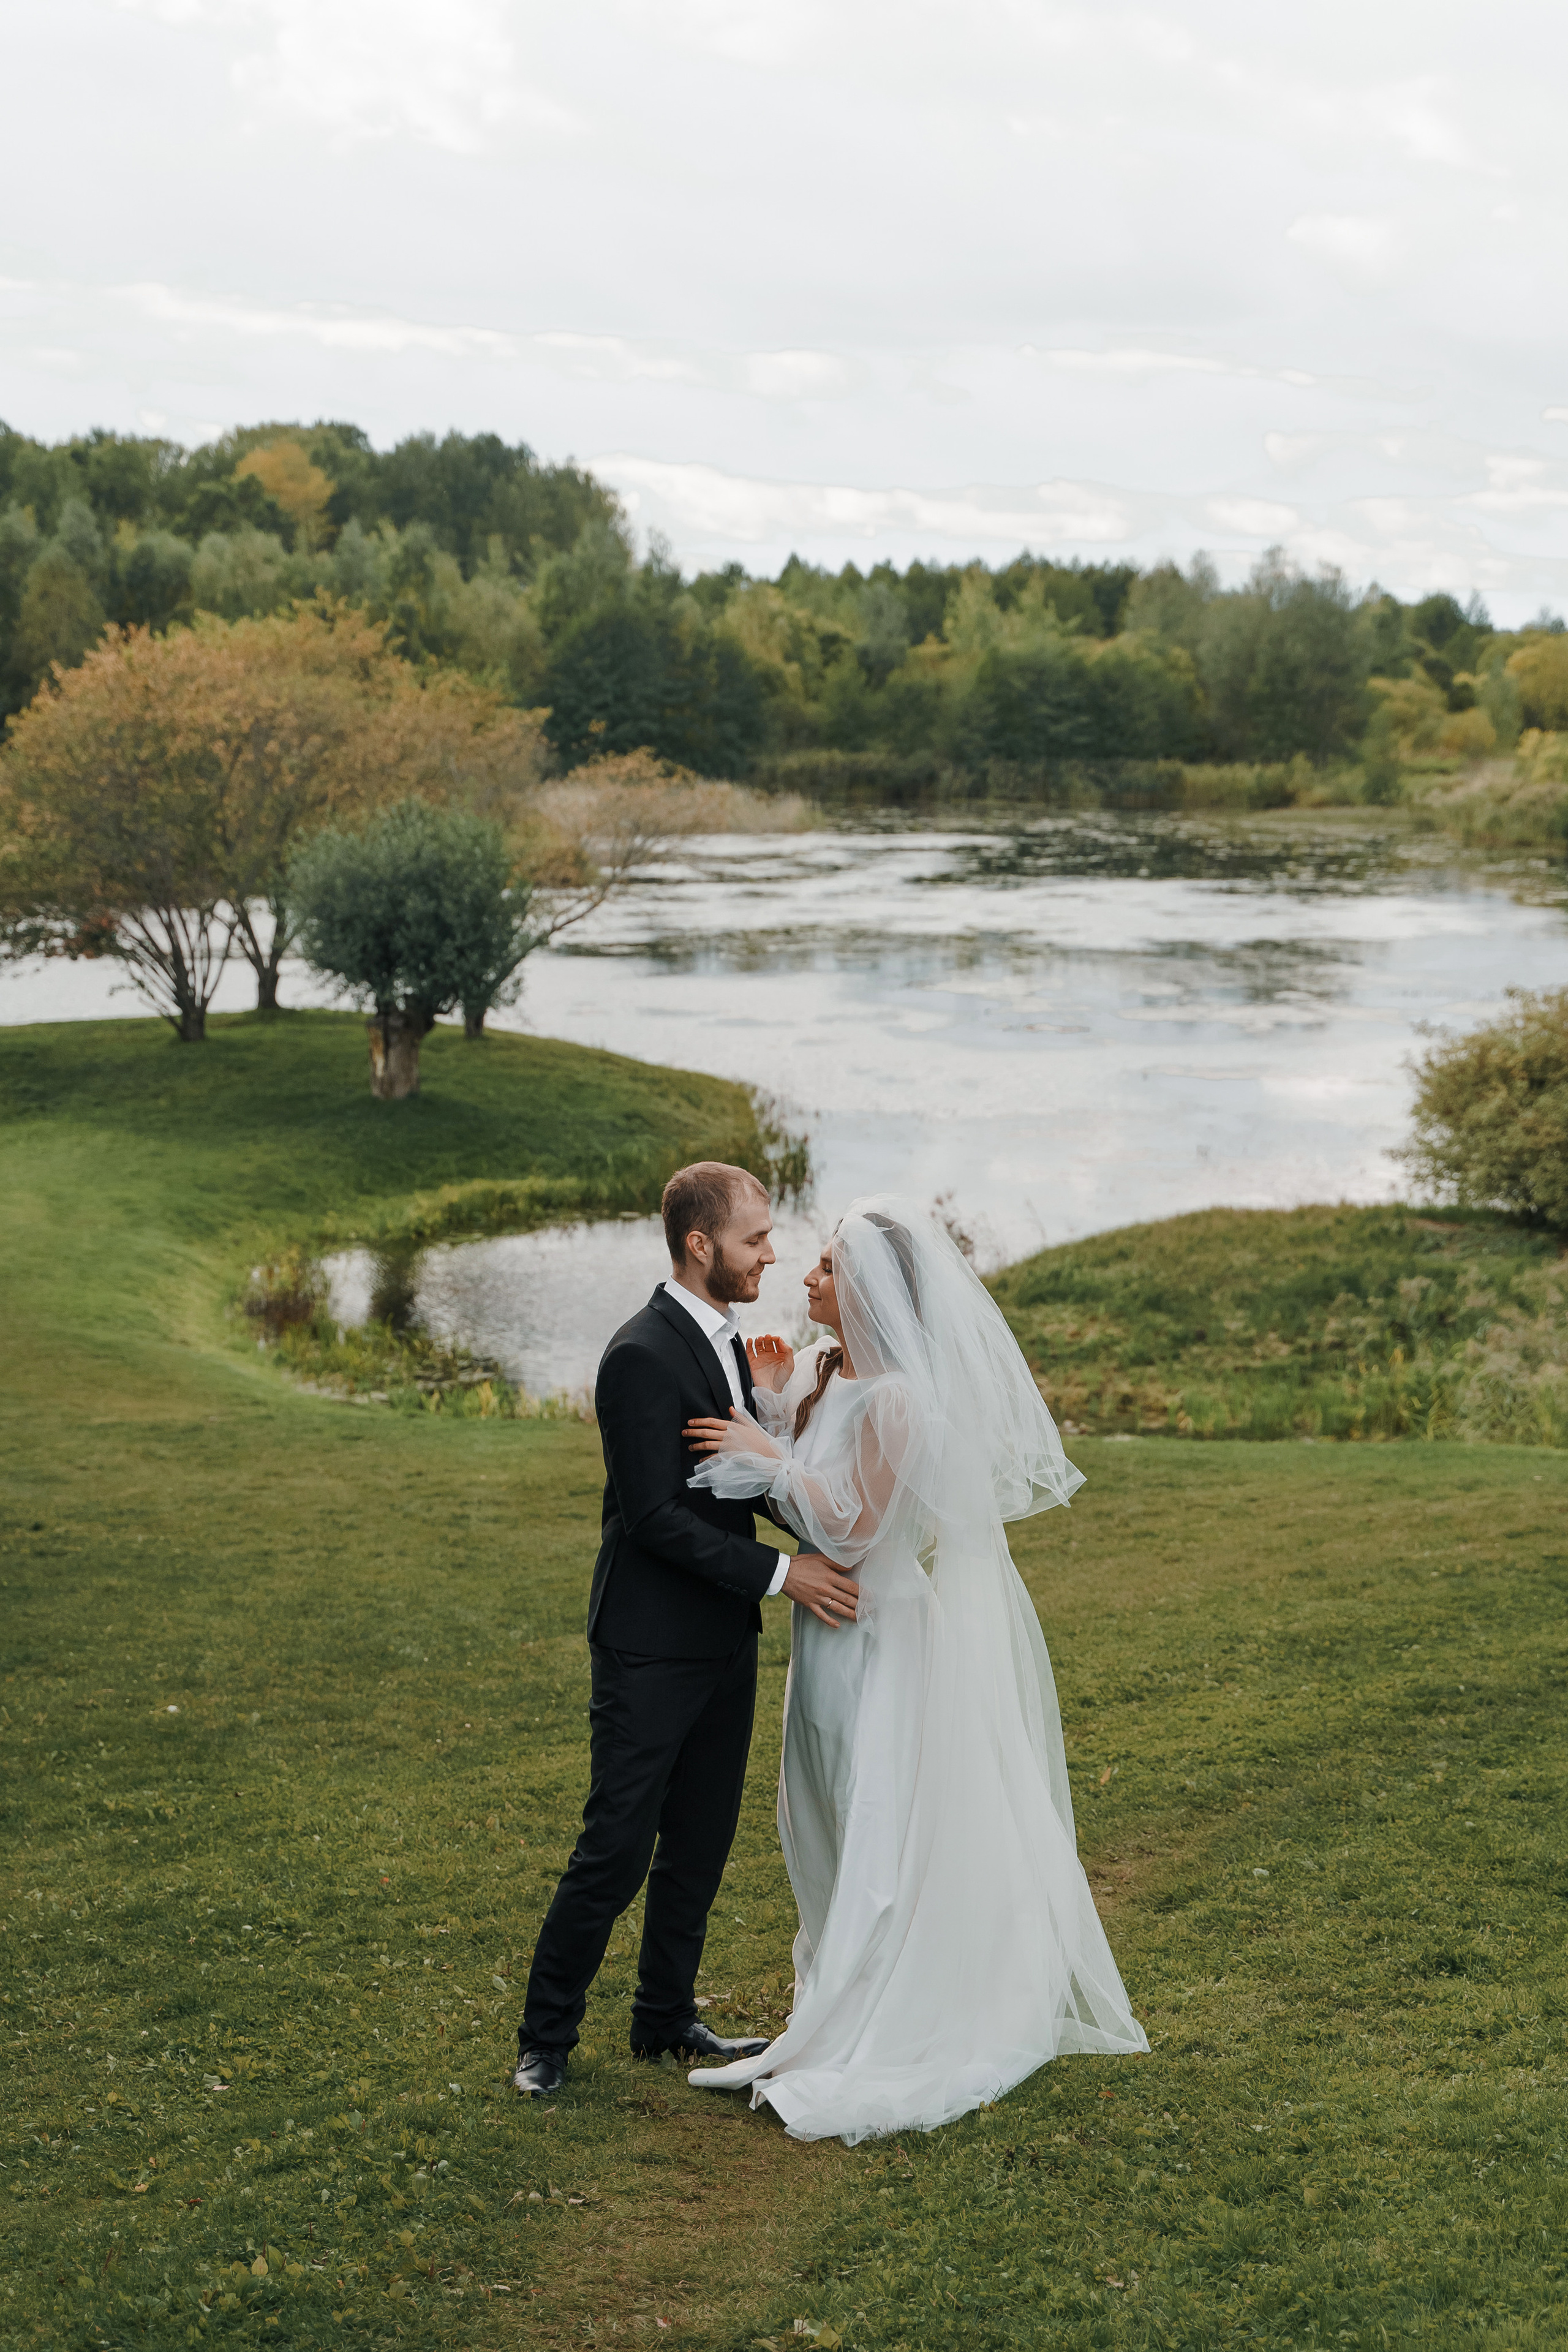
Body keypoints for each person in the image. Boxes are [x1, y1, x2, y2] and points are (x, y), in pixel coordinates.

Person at [682, 1194, 1148, 2144]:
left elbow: (852, 1531)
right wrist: (777, 1407)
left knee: (878, 1830)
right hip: (825, 1638)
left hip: (880, 1639)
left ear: (871, 1294)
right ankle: (831, 2005)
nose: (803, 1279)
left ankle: (874, 2022)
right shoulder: (822, 1372)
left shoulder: (900, 1400)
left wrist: (769, 1458)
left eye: (823, 1270)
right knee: (820, 1817)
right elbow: (812, 1500)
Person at [513, 1161, 863, 2099]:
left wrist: (828, 1520)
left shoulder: (724, 1343)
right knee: (618, 1844)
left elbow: (742, 1481)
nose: (771, 1254)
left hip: (722, 1640)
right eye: (755, 1239)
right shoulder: (640, 1353)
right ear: (701, 1246)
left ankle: (663, 2018)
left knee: (700, 1842)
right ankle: (545, 2038)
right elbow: (655, 1516)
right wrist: (790, 1574)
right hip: (649, 1643)